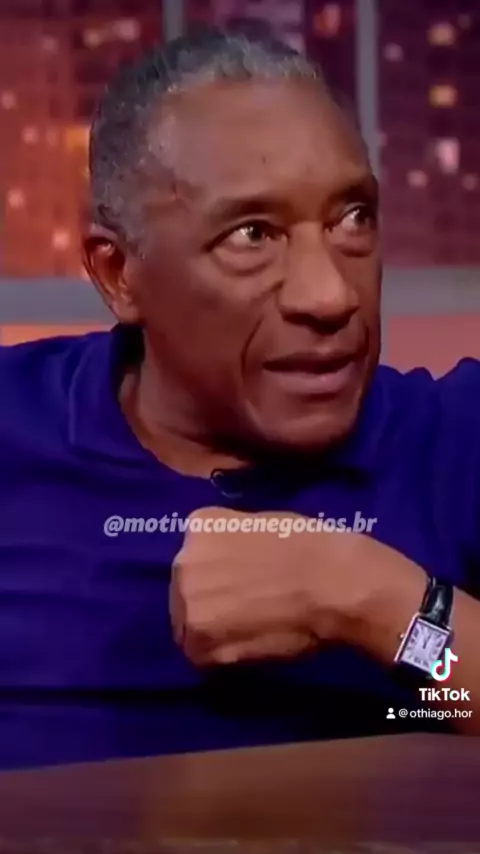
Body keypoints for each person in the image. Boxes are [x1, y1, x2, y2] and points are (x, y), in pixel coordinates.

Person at [1, 30, 480, 771]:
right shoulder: (14, 426)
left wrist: (375, 604)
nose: (330, 295)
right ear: (120, 274)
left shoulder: (453, 443)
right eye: (252, 235)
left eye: (353, 219)